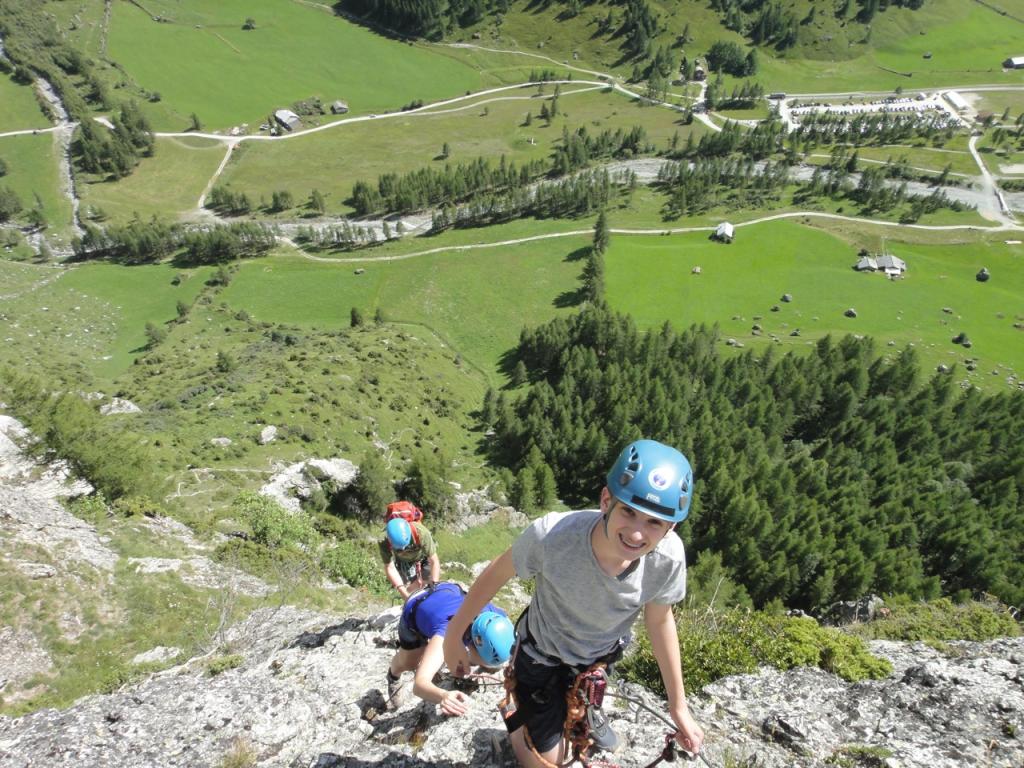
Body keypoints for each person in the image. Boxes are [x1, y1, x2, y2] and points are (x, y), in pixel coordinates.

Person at [443, 439, 705, 767]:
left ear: (671, 527)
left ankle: (584, 710)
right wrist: (454, 634)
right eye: (629, 511)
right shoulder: (553, 537)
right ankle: (515, 716)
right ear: (606, 501)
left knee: (582, 708)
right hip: (540, 658)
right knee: (547, 763)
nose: (637, 534)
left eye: (654, 522)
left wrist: (678, 706)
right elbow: (498, 572)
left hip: (598, 658)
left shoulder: (668, 558)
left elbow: (659, 620)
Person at [387, 580, 516, 714]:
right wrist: (443, 696)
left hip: (447, 592)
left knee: (492, 664)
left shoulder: (498, 619)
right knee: (409, 663)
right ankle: (393, 676)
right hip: (415, 608)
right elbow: (419, 685)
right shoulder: (445, 634)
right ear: (475, 642)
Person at [380, 516, 441, 601]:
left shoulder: (421, 533)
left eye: (405, 546)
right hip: (402, 561)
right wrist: (405, 595)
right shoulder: (384, 540)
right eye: (400, 548)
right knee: (408, 588)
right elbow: (390, 567)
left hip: (422, 557)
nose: (404, 549)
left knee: (427, 581)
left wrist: (434, 587)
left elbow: (434, 561)